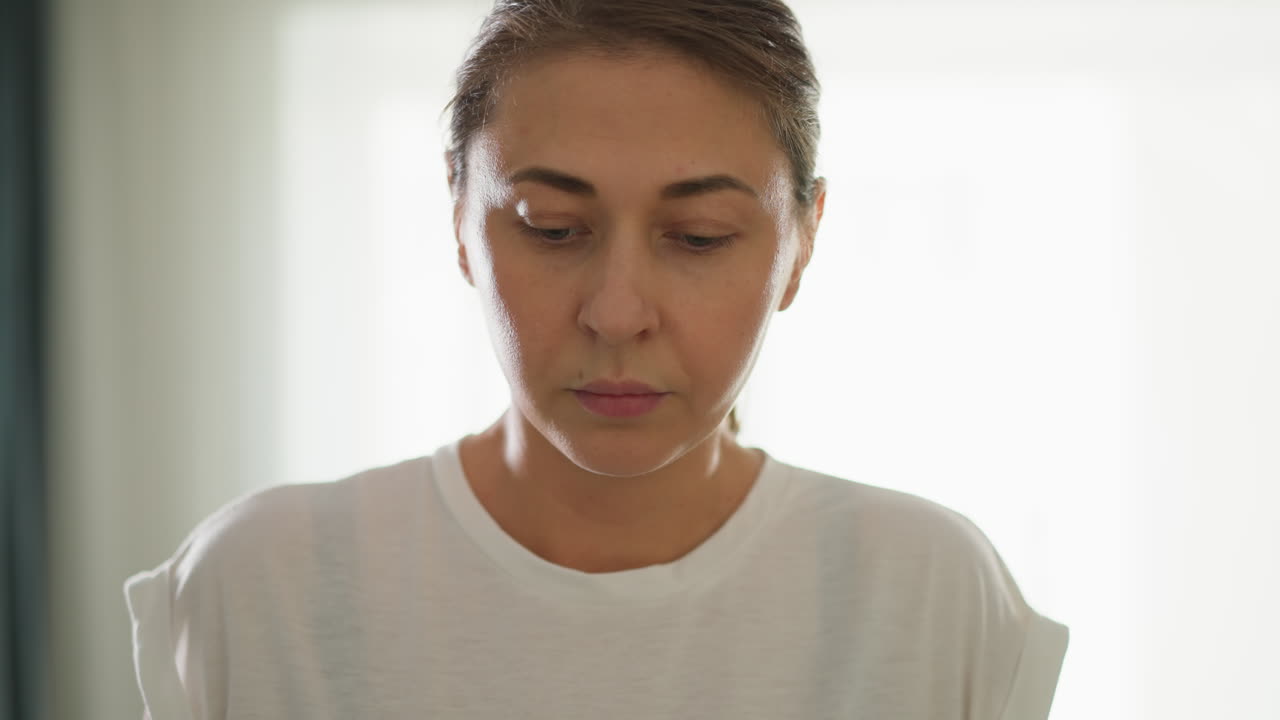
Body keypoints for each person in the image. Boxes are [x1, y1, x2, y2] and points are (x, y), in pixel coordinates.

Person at [125, 0, 1069, 718]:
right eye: (551, 226)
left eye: (699, 236)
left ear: (802, 241)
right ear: (459, 220)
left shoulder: (927, 593)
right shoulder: (263, 590)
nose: (617, 313)